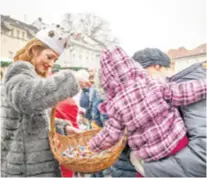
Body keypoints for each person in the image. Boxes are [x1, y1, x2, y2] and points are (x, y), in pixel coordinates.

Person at [88, 46, 207, 176]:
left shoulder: (116, 105)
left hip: (150, 156)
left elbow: (110, 135)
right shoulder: (153, 84)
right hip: (178, 143)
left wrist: (93, 146)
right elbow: (184, 92)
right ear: (132, 65)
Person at [1, 25, 82, 177]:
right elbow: (26, 100)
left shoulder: (31, 77)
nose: (51, 63)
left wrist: (63, 128)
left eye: (55, 60)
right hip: (24, 171)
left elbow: (34, 119)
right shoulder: (18, 71)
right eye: (49, 57)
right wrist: (71, 79)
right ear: (34, 50)